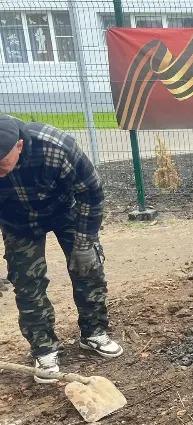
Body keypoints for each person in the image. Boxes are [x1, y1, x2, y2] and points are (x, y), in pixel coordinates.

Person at [0, 114, 123, 383]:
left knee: (88, 267)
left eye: (0, 163)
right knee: (27, 284)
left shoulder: (55, 147)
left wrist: (85, 243)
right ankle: (44, 349)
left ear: (19, 146)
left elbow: (91, 193)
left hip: (64, 211)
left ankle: (94, 332)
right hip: (16, 221)